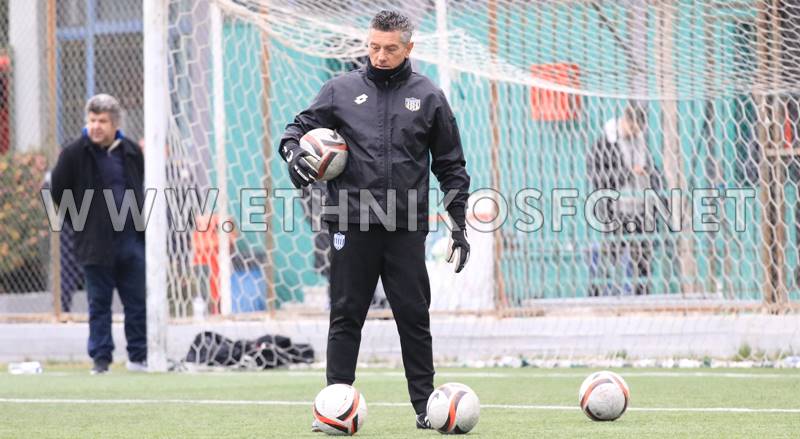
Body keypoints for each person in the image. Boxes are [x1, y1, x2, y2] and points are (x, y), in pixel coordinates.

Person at [279, 10, 471, 431]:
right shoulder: (340, 90)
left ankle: (425, 407)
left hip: (405, 226)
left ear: (409, 48)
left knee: (413, 315)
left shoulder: (429, 96)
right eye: (374, 47)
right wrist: (293, 154)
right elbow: (295, 131)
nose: (380, 56)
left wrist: (458, 224)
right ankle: (334, 407)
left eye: (390, 49)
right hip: (351, 222)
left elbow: (451, 166)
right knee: (346, 314)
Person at [50, 94, 147, 374]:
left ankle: (138, 357)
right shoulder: (74, 153)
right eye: (92, 120)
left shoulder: (131, 151)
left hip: (130, 239)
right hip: (95, 243)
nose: (95, 126)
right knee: (99, 304)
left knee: (136, 302)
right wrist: (80, 223)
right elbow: (57, 192)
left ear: (115, 124)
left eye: (102, 121)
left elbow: (138, 186)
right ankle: (101, 360)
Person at [587, 104, 659, 296]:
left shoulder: (641, 142)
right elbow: (597, 175)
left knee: (642, 253)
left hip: (641, 208)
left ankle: (641, 293)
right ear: (624, 122)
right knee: (613, 252)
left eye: (638, 131)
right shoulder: (605, 144)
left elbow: (652, 170)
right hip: (617, 208)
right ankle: (600, 291)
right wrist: (627, 173)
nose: (634, 133)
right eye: (632, 129)